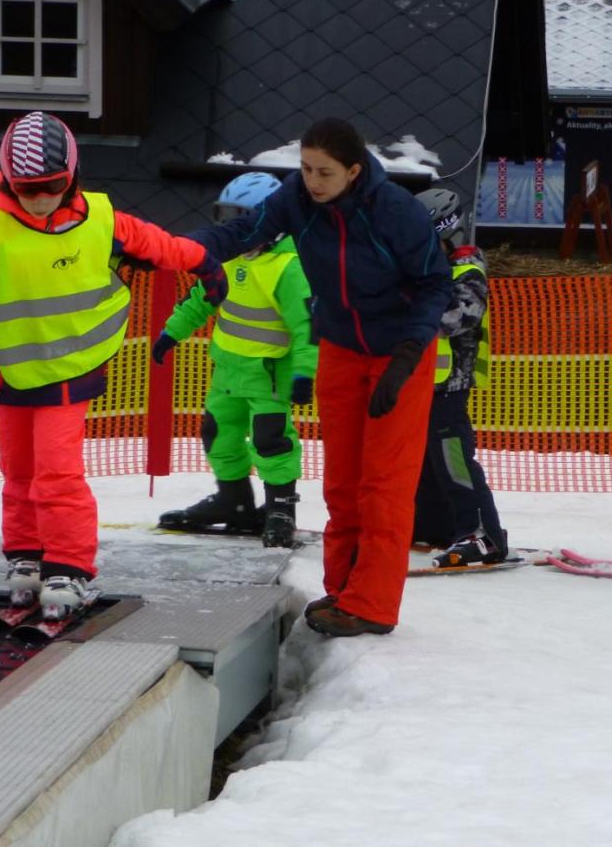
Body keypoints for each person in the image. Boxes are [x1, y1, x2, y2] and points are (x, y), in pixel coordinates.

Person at [0, 111, 226, 620]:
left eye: (51, 186)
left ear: (72, 178)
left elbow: (159, 245)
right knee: (18, 471)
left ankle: (69, 566)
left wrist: (204, 263)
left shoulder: (103, 221)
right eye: (28, 188)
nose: (40, 197)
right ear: (6, 180)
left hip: (72, 367)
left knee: (58, 474)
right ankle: (26, 556)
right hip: (10, 370)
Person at [187, 117, 453, 637]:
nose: (312, 180)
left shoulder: (395, 211)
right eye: (306, 169)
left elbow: (434, 284)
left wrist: (405, 356)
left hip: (398, 353)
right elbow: (245, 230)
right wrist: (180, 248)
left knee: (384, 485)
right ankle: (344, 590)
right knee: (343, 480)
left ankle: (372, 605)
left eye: (324, 172)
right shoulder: (298, 199)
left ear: (355, 171)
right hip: (340, 347)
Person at [152, 172, 317, 548]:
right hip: (227, 370)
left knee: (271, 440)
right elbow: (201, 299)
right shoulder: (226, 258)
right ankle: (234, 501)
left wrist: (306, 373)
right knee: (218, 434)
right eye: (226, 217)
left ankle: (280, 510)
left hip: (269, 375)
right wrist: (171, 333)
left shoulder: (288, 267)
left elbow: (307, 325)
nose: (232, 229)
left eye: (240, 218)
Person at [410, 187, 506, 567]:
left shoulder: (467, 268)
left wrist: (411, 315)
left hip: (450, 385)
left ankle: (482, 534)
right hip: (422, 384)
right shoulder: (429, 269)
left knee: (453, 459)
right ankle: (438, 525)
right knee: (424, 460)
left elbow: (458, 317)